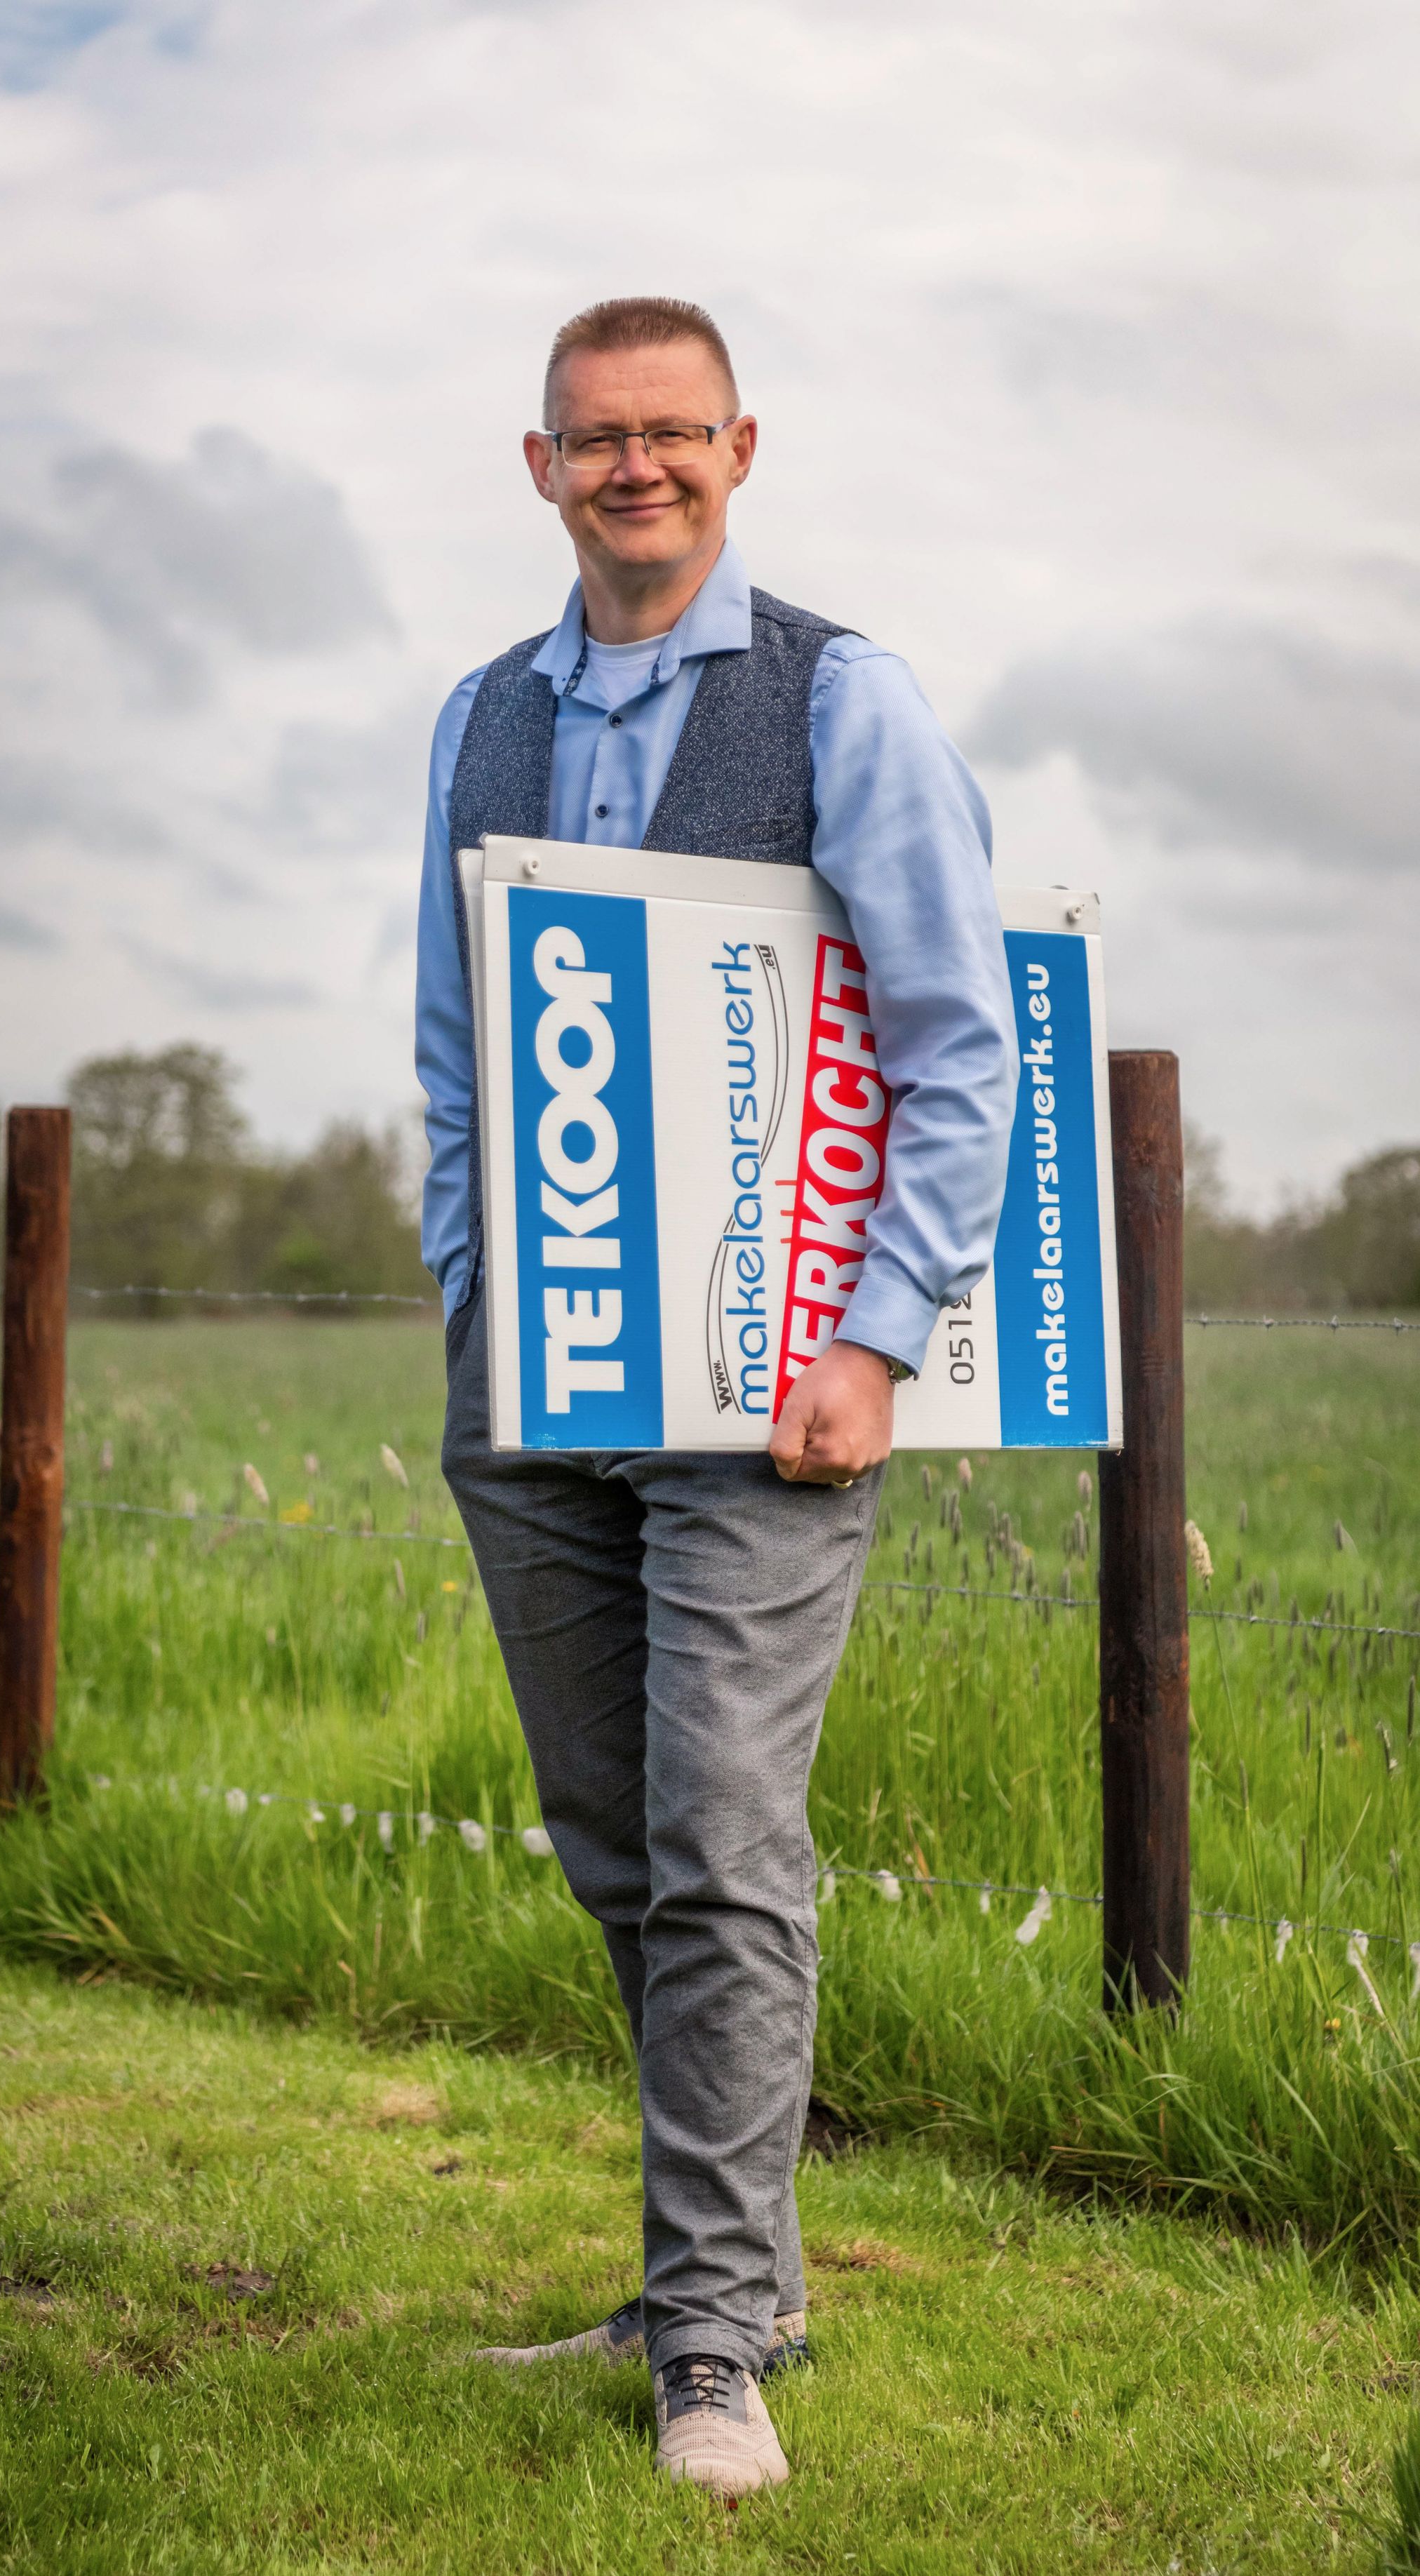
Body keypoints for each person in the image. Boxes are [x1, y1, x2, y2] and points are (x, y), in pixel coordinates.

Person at [414, 296, 1017, 2496]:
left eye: (673, 432)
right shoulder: (480, 715)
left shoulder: (843, 696)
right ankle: (714, 2281)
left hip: (779, 1397)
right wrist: (476, 1297)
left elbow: (964, 1046)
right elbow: (456, 1052)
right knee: (617, 1854)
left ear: (741, 447)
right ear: (540, 464)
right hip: (539, 1392)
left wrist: (868, 1336)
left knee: (723, 1840)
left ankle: (707, 2351)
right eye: (598, 438)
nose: (635, 467)